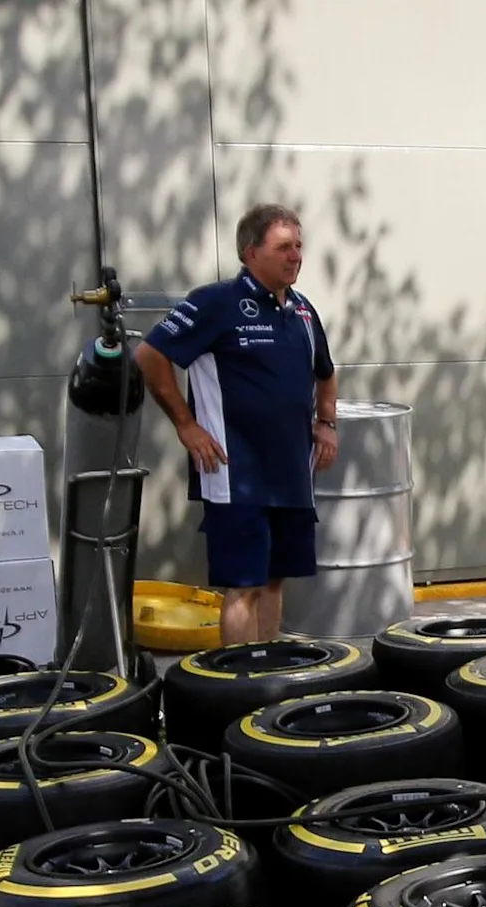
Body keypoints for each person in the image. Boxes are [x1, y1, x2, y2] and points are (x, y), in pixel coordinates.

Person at [140, 203, 339, 647]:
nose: (296, 255)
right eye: (283, 247)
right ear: (251, 253)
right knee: (244, 585)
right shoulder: (216, 302)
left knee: (274, 580)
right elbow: (150, 356)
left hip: (291, 474)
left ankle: (269, 670)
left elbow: (326, 373)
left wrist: (327, 423)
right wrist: (186, 425)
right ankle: (242, 677)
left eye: (299, 245)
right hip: (236, 474)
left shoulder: (303, 311)